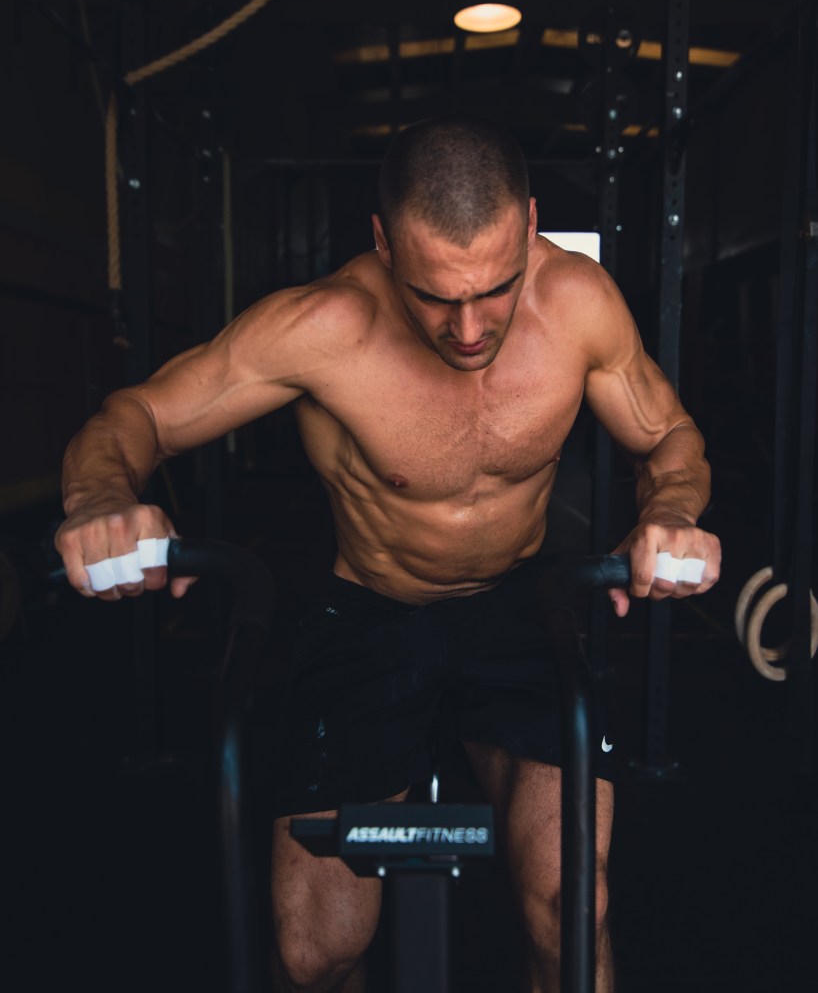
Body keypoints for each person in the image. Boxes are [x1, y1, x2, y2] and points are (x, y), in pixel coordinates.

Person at [56, 116, 720, 993]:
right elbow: (135, 416)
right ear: (382, 241)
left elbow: (670, 437)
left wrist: (669, 510)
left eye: (497, 289)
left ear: (529, 225)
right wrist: (101, 500)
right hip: (367, 612)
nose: (470, 328)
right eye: (435, 296)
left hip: (517, 607)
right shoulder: (325, 326)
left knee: (573, 904)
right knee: (314, 951)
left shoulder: (579, 305)